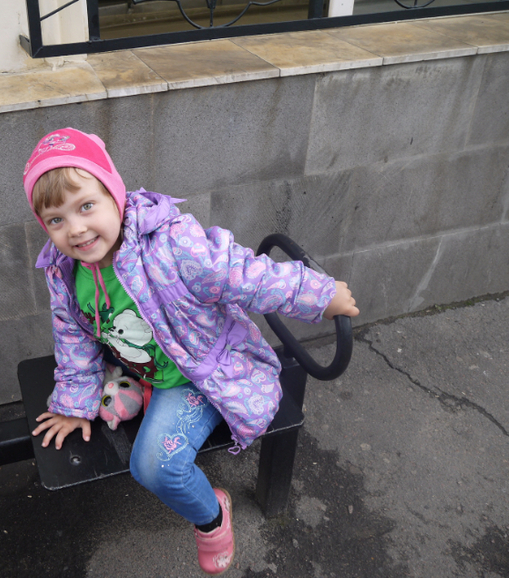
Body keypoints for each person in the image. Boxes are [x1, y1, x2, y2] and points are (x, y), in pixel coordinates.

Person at [23, 128, 359, 575]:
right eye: (56, 220)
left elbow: (241, 275)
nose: (76, 229)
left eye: (86, 206)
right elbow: (73, 336)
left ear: (115, 195)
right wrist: (73, 404)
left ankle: (212, 517)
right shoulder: (65, 270)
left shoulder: (170, 244)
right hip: (144, 364)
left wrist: (318, 294)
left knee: (154, 466)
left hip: (197, 374)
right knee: (114, 393)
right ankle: (134, 388)